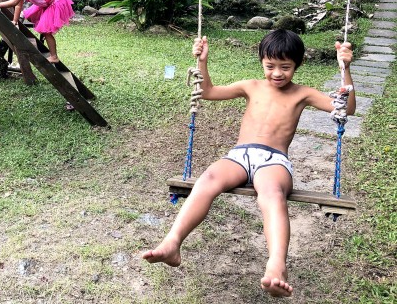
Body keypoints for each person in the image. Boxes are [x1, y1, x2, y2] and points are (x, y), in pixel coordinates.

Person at [142, 29, 355, 298]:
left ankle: (277, 265)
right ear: (261, 62)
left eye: (285, 67)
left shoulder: (303, 94)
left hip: (273, 160)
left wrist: (345, 69)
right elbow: (207, 91)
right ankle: (172, 243)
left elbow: (345, 109)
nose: (277, 73)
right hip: (240, 155)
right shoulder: (251, 86)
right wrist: (202, 61)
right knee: (208, 178)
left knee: (271, 193)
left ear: (298, 65)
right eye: (270, 66)